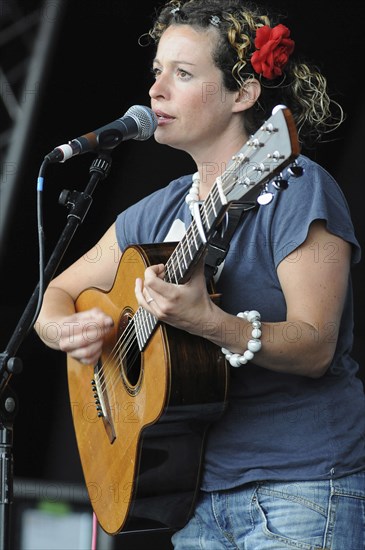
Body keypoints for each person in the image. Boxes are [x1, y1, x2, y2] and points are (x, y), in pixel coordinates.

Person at [35, 0, 365, 548]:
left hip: (298, 489)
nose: (156, 90)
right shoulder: (156, 212)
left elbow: (315, 348)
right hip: (191, 496)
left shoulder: (294, 184)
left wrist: (209, 321)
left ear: (243, 94)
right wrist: (63, 330)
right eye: (157, 72)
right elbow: (58, 292)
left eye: (183, 74)